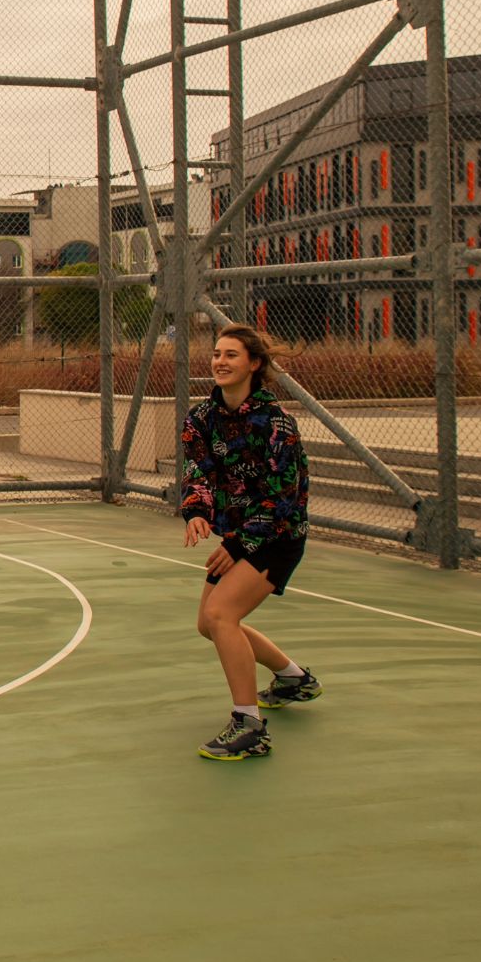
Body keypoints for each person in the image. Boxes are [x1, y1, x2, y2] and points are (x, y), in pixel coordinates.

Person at [180, 324, 321, 762]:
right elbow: (198, 472)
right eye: (216, 354)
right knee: (209, 624)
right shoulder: (201, 419)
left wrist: (240, 545)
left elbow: (281, 498)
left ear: (254, 364)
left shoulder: (278, 424)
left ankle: (250, 726)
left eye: (231, 355)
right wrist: (198, 511)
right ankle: (294, 678)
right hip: (240, 537)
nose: (220, 362)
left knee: (222, 614)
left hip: (278, 537)